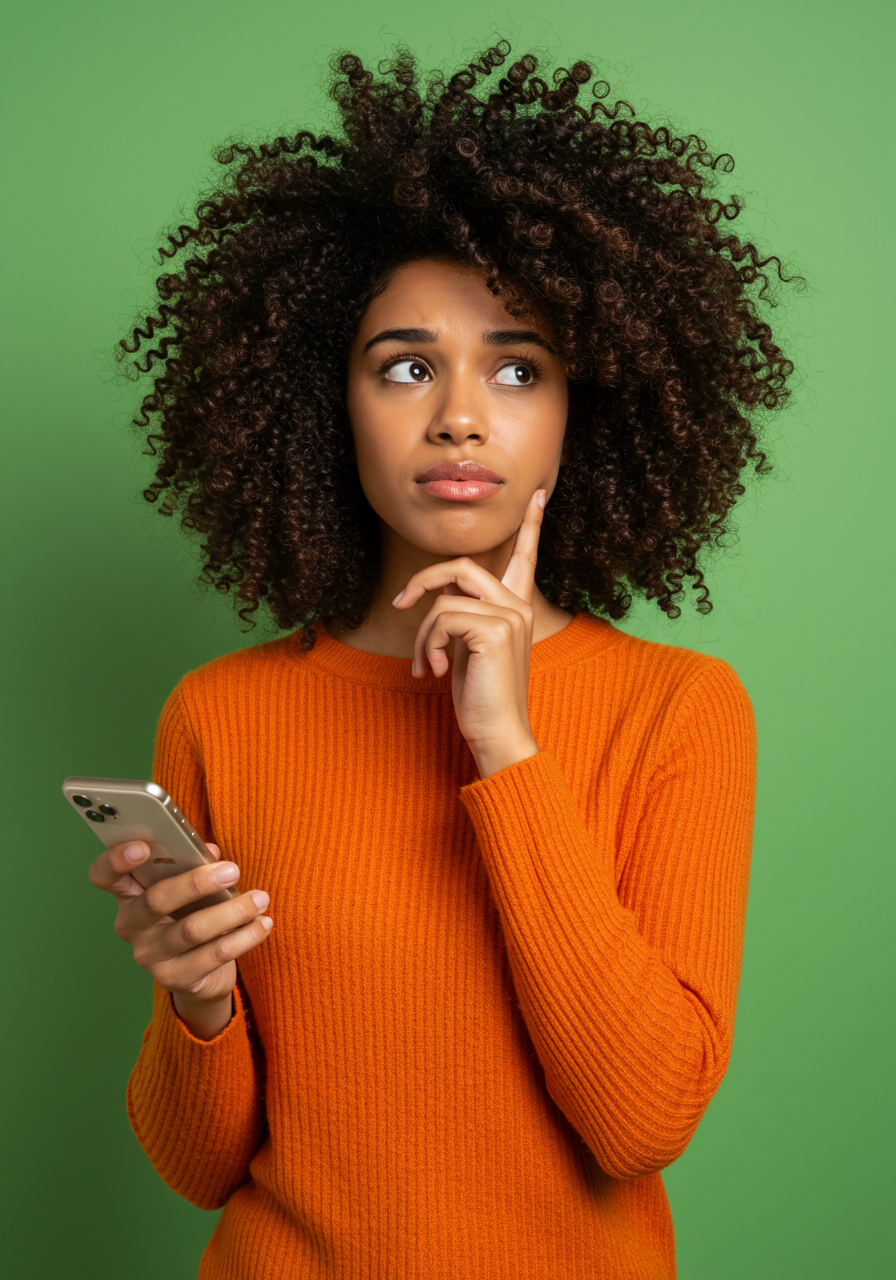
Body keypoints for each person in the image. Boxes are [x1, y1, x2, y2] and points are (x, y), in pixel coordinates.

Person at [89, 41, 796, 1279]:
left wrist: (505, 748)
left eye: (516, 366)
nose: (459, 413)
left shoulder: (676, 709)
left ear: (586, 408)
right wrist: (198, 1004)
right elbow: (200, 1167)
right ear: (327, 402)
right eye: (405, 365)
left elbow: (638, 1123)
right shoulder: (219, 712)